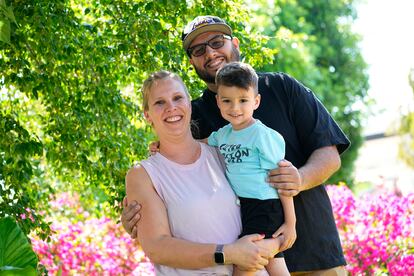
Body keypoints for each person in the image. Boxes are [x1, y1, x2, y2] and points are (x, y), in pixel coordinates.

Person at [123, 15, 350, 275]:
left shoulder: (281, 87)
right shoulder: (190, 114)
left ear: (235, 43)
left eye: (217, 42)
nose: (210, 52)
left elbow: (330, 154)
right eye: (199, 49)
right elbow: (173, 178)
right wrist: (140, 218)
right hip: (252, 257)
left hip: (315, 252)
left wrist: (298, 178)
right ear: (192, 61)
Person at [126, 70, 282, 275]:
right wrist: (228, 254)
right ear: (147, 115)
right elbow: (157, 247)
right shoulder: (143, 174)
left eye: (177, 98)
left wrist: (278, 241)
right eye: (159, 103)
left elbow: (264, 201)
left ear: (190, 105)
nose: (171, 107)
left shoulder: (223, 153)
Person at [202, 61, 295, 276]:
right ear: (218, 101)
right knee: (273, 263)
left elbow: (281, 179)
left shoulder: (262, 136)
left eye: (243, 100)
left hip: (264, 205)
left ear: (256, 101)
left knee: (245, 266)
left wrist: (291, 222)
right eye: (227, 101)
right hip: (243, 206)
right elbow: (201, 143)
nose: (235, 108)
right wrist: (165, 147)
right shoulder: (223, 134)